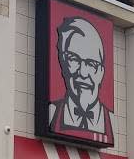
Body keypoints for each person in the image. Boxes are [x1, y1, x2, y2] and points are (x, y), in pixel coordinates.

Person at [48, 16, 114, 144]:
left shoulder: (111, 120)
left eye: (92, 64)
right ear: (62, 63)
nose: (83, 73)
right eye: (74, 59)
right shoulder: (51, 113)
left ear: (101, 72)